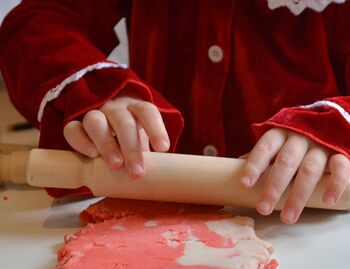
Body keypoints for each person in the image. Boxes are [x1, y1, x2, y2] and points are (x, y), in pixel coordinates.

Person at [1, 0, 350, 224]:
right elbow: (39, 21)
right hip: (146, 202)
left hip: (302, 216)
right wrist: (93, 87)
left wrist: (333, 127)